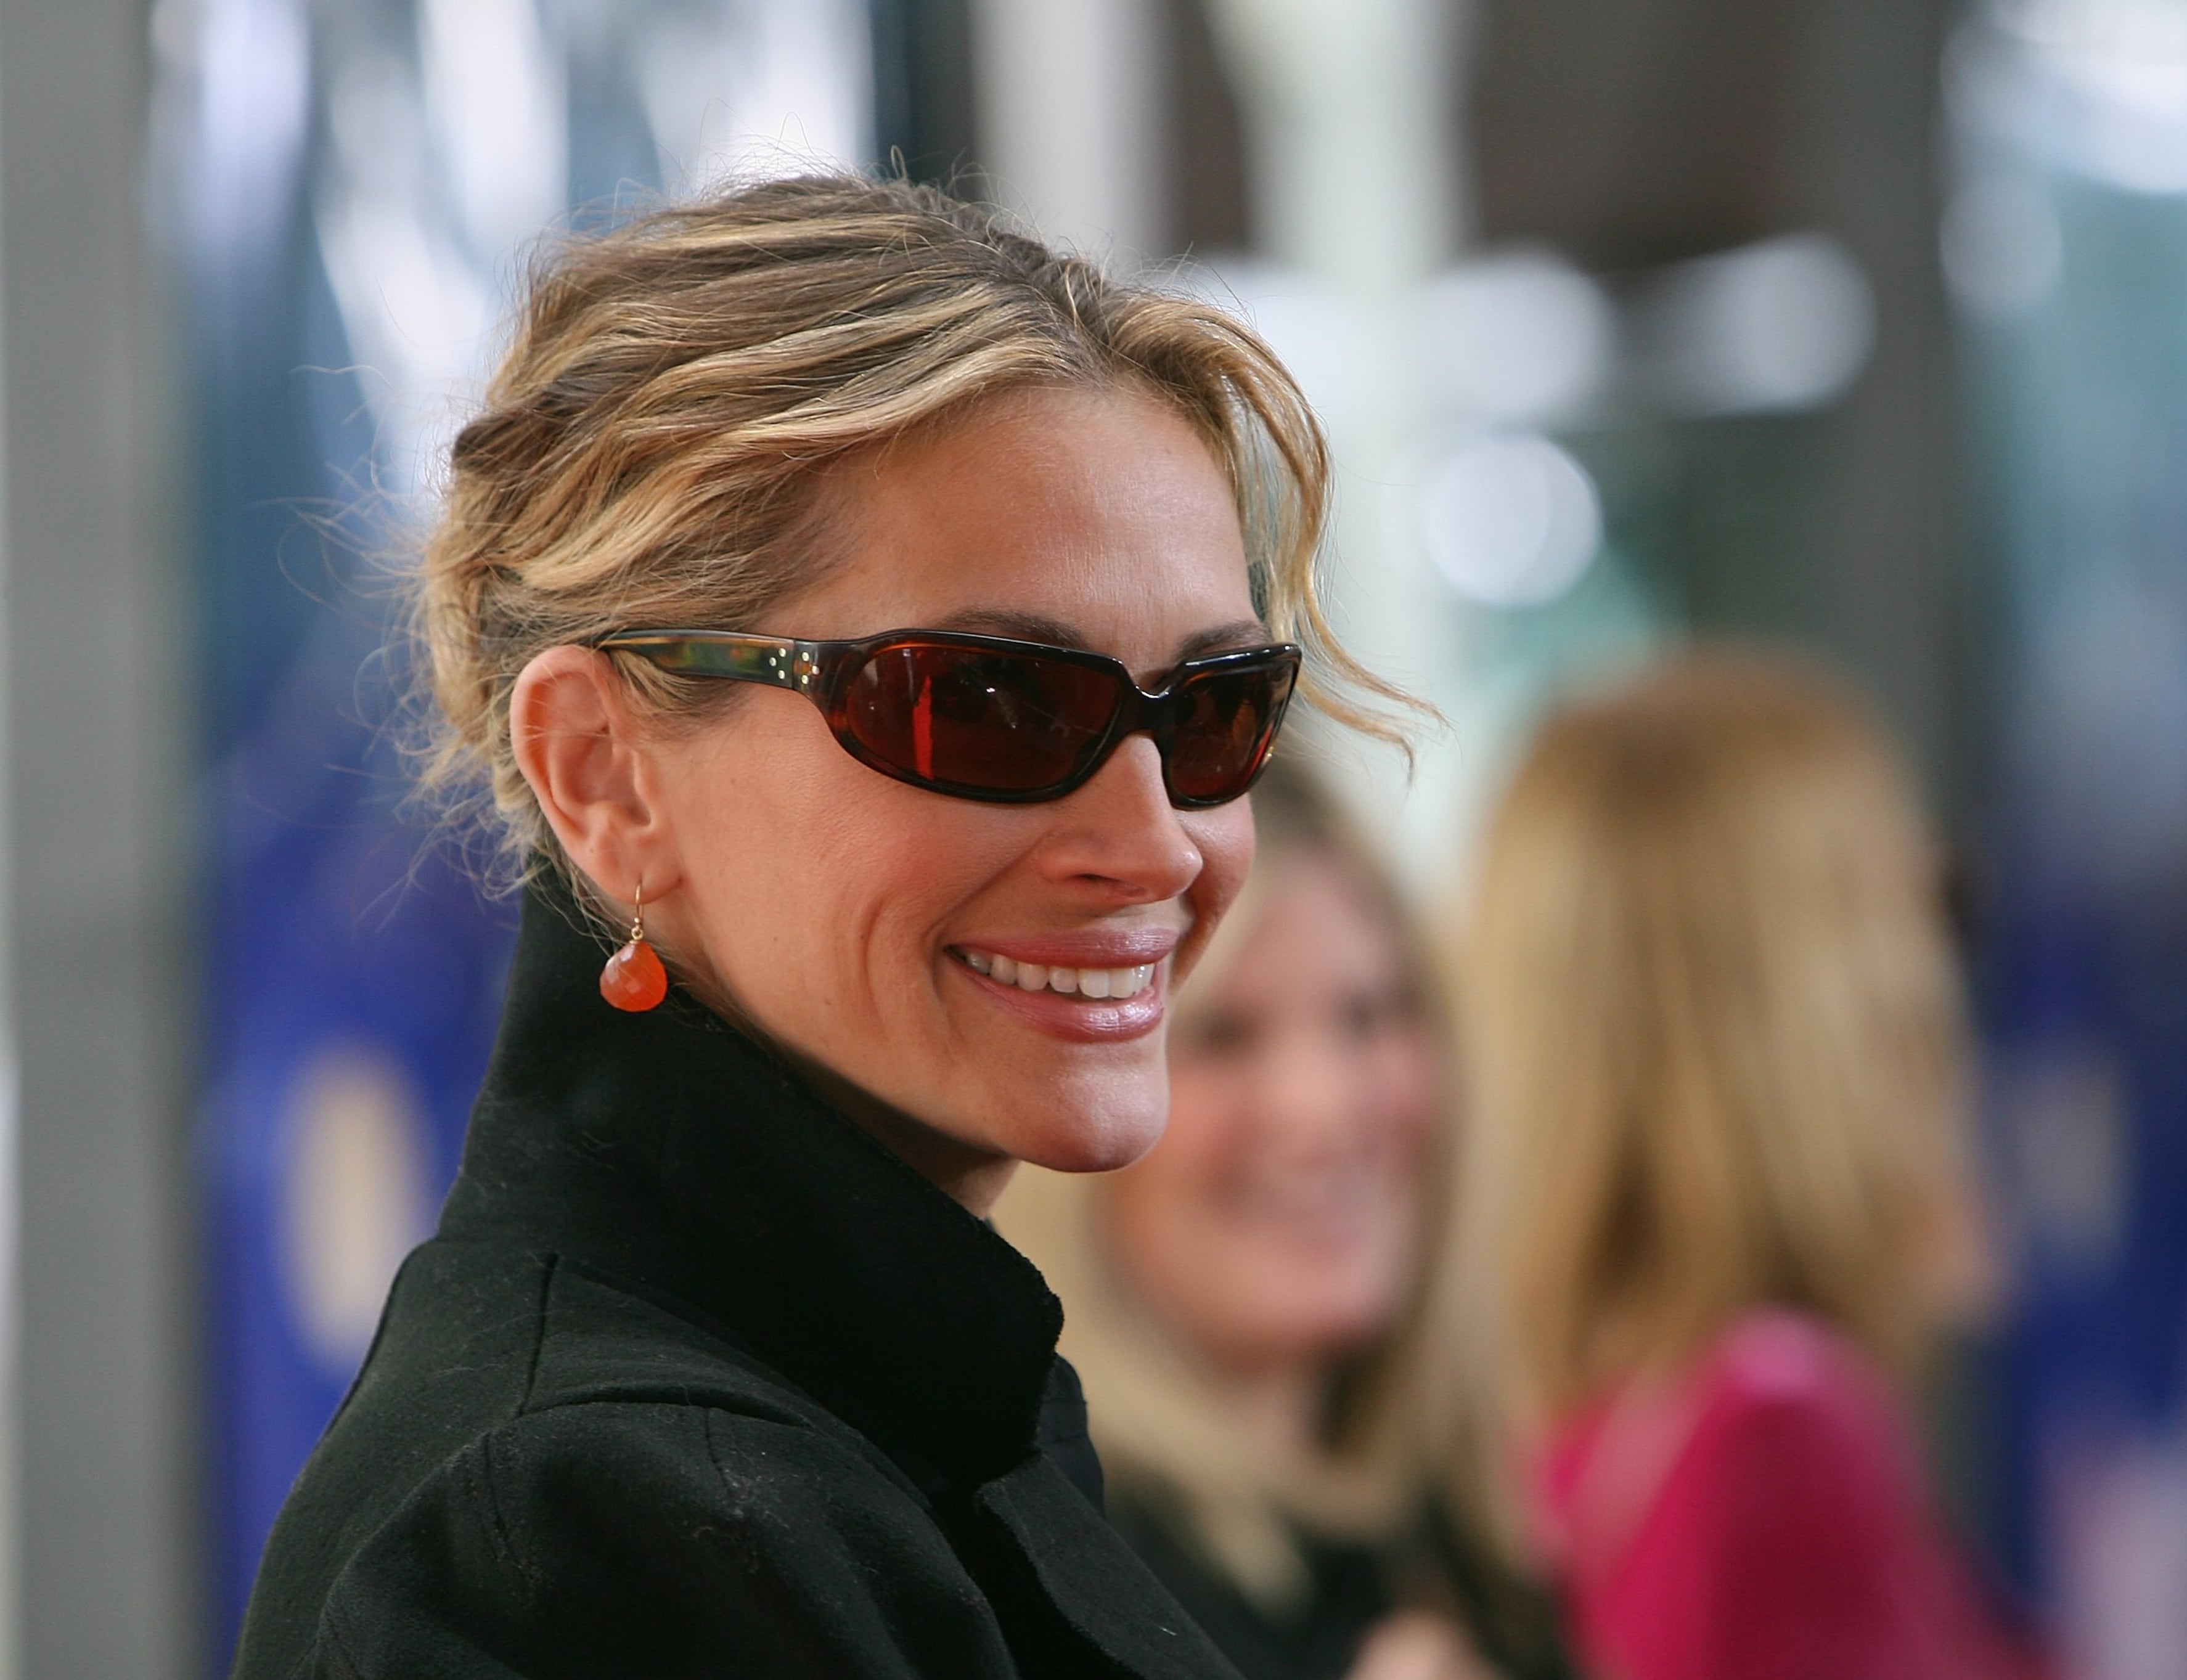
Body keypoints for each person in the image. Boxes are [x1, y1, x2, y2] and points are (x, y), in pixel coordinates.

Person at [230, 174, 1402, 1679]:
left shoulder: (874, 1420)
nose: (1154, 841)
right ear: (605, 775)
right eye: (988, 702)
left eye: (1215, 711)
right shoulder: (594, 1534)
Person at [1434, 650, 2052, 1680]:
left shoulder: (1531, 1443)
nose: (1941, 987)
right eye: (1928, 912)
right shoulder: (1778, 1441)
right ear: (1820, 1005)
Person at [996, 758, 1563, 1680]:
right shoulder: (1040, 1586)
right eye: (1225, 1036)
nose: (1321, 1106)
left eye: (1369, 1014)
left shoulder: (1473, 1536)